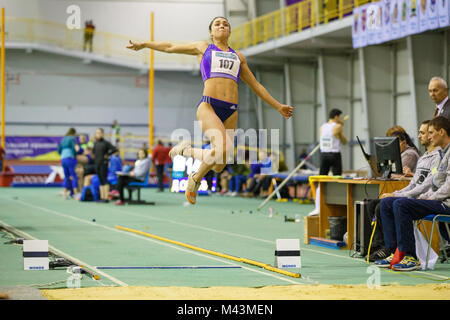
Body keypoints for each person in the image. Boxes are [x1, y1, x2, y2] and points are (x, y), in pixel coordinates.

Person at [127, 16, 293, 205]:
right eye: (217, 24)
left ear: (229, 31)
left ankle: (186, 150)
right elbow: (170, 47)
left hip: (231, 110)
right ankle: (195, 179)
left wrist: (278, 106)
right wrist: (145, 44)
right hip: (209, 106)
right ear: (211, 31)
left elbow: (256, 86)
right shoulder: (204, 47)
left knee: (220, 164)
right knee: (221, 149)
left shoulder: (239, 57)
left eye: (226, 24)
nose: (222, 26)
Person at [375, 116, 450, 271]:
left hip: (445, 204)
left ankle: (410, 256)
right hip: (437, 199)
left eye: (431, 132)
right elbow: (435, 183)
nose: (428, 137)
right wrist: (427, 195)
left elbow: (447, 188)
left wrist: (428, 197)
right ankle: (394, 251)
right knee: (386, 203)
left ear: (442, 132)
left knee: (401, 204)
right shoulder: (444, 153)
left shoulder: (444, 155)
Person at [319, 108, 348, 176]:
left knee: (322, 176)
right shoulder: (338, 126)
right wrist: (340, 126)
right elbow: (344, 141)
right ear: (336, 117)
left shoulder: (322, 127)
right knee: (337, 176)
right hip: (334, 154)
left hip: (323, 154)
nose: (340, 119)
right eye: (339, 117)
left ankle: (320, 187)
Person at [93, 128, 117, 202]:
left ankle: (106, 197)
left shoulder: (105, 143)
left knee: (104, 180)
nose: (98, 134)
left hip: (104, 163)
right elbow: (94, 152)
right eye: (97, 133)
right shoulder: (96, 143)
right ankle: (102, 197)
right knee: (100, 180)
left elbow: (114, 149)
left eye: (100, 133)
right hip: (97, 163)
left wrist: (107, 154)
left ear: (102, 134)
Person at [57, 128, 79, 199]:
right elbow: (73, 148)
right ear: (73, 133)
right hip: (70, 158)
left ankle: (64, 193)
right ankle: (76, 194)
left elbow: (59, 150)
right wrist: (74, 155)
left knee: (66, 177)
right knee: (74, 176)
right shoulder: (72, 139)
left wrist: (63, 155)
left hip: (63, 159)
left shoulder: (63, 139)